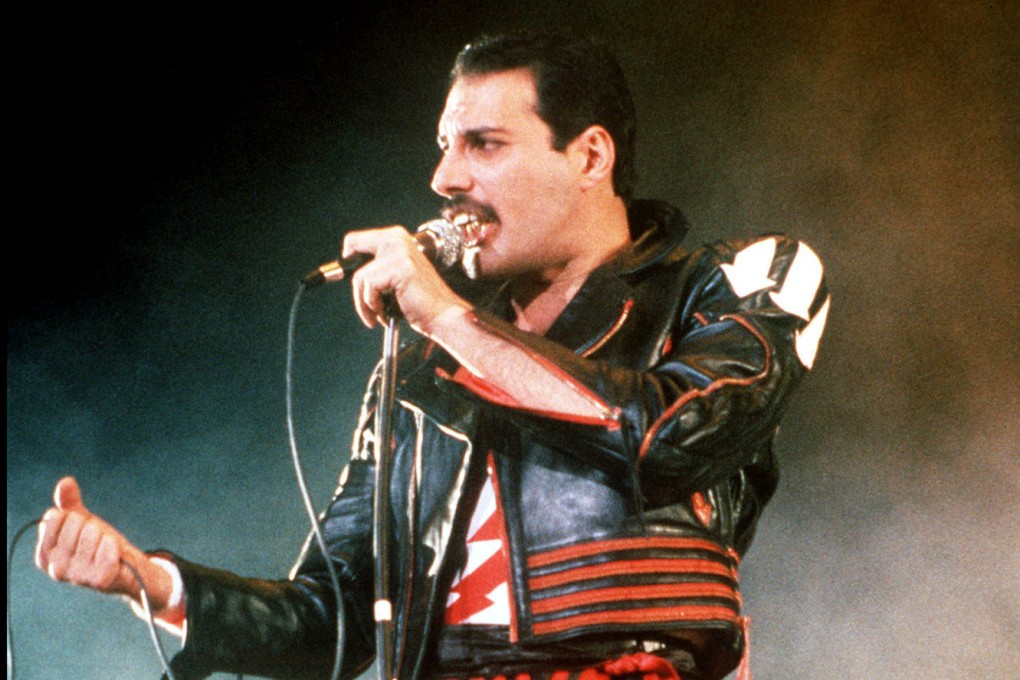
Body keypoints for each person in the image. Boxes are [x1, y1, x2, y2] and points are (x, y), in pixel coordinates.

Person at [34, 32, 830, 680]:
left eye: (483, 144)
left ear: (591, 157)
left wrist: (447, 317)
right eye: (445, 147)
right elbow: (333, 621)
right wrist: (150, 581)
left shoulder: (746, 278)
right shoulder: (418, 369)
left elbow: (673, 440)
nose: (444, 178)